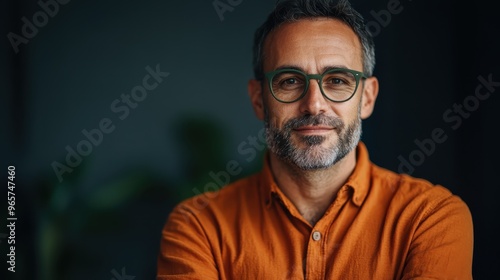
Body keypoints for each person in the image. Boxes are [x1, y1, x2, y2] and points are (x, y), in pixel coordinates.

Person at [156, 0, 474, 279]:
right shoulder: (198, 226)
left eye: (337, 81)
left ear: (367, 98)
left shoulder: (431, 217)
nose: (314, 104)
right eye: (290, 81)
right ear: (258, 100)